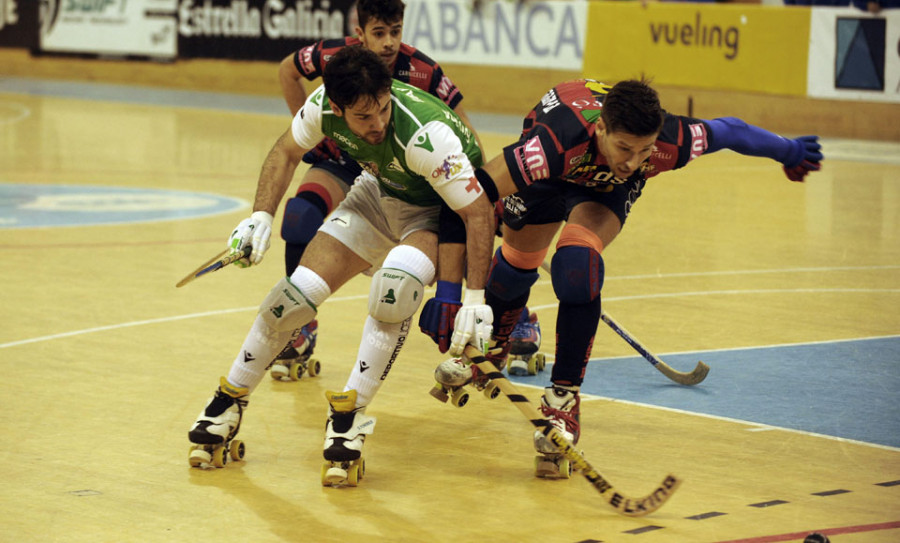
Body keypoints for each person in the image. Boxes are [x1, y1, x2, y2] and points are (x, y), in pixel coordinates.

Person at [435, 78, 823, 477]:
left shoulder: (669, 141)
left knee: (576, 269)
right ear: (601, 129)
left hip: (603, 192)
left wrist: (788, 150)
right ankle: (494, 343)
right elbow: (467, 196)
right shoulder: (553, 144)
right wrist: (452, 291)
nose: (633, 162)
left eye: (644, 151)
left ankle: (563, 400)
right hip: (550, 176)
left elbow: (730, 131)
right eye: (624, 148)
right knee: (517, 264)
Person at [188, 46, 496, 486]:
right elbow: (284, 150)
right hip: (375, 196)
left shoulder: (426, 135)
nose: (378, 124)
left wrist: (474, 300)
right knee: (290, 299)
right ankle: (229, 400)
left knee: (394, 292)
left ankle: (349, 417)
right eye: (364, 118)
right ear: (336, 107)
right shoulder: (321, 108)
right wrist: (260, 215)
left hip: (433, 212)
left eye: (383, 110)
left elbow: (478, 213)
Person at [269, 0, 484, 380]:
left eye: (396, 32)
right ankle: (300, 331)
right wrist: (311, 133)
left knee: (464, 232)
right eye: (379, 33)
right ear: (360, 34)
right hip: (347, 153)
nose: (388, 43)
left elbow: (463, 127)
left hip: (400, 161)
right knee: (301, 216)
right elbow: (287, 70)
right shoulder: (333, 56)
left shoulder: (423, 70)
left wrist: (471, 183)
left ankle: (508, 320)